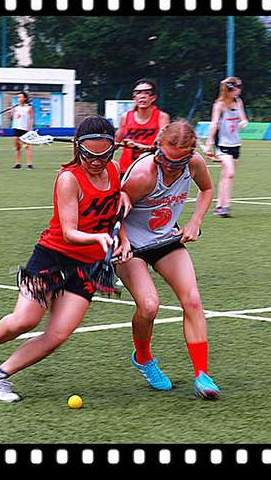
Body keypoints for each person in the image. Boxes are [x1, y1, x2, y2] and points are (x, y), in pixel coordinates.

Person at [0, 116, 131, 402]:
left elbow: (113, 213)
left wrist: (123, 238)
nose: (96, 162)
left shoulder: (115, 169)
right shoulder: (68, 179)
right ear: (78, 148)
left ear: (112, 150)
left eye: (104, 155)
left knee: (58, 334)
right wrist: (99, 238)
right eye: (89, 155)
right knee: (25, 320)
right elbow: (70, 232)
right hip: (53, 256)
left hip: (88, 266)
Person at [115, 119, 220, 400]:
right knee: (149, 306)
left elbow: (207, 189)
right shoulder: (143, 175)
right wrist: (122, 240)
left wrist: (195, 221)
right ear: (158, 148)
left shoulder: (194, 163)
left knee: (193, 301)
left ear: (190, 154)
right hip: (132, 245)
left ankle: (202, 374)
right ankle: (143, 358)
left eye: (179, 162)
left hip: (165, 240)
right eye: (166, 159)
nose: (171, 167)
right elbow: (115, 210)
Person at [204, 76, 248, 218]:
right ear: (230, 88)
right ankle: (226, 206)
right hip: (223, 145)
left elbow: (243, 119)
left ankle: (219, 206)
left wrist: (243, 123)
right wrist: (208, 143)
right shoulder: (219, 105)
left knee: (225, 176)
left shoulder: (238, 102)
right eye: (237, 87)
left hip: (236, 144)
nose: (239, 89)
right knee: (229, 173)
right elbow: (214, 124)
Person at [115, 78, 170, 178]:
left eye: (147, 93)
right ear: (134, 97)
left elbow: (161, 145)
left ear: (153, 97)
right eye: (138, 93)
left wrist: (137, 146)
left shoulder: (162, 117)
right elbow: (115, 142)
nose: (142, 96)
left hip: (152, 169)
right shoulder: (125, 117)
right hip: (127, 169)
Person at [11, 91, 35, 170]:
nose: (19, 98)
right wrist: (11, 111)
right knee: (17, 147)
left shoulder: (29, 107)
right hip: (16, 128)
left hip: (25, 129)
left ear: (25, 98)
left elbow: (31, 118)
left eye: (20, 97)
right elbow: (12, 117)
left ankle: (29, 164)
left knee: (27, 147)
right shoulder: (16, 107)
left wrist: (30, 128)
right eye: (18, 97)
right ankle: (17, 163)